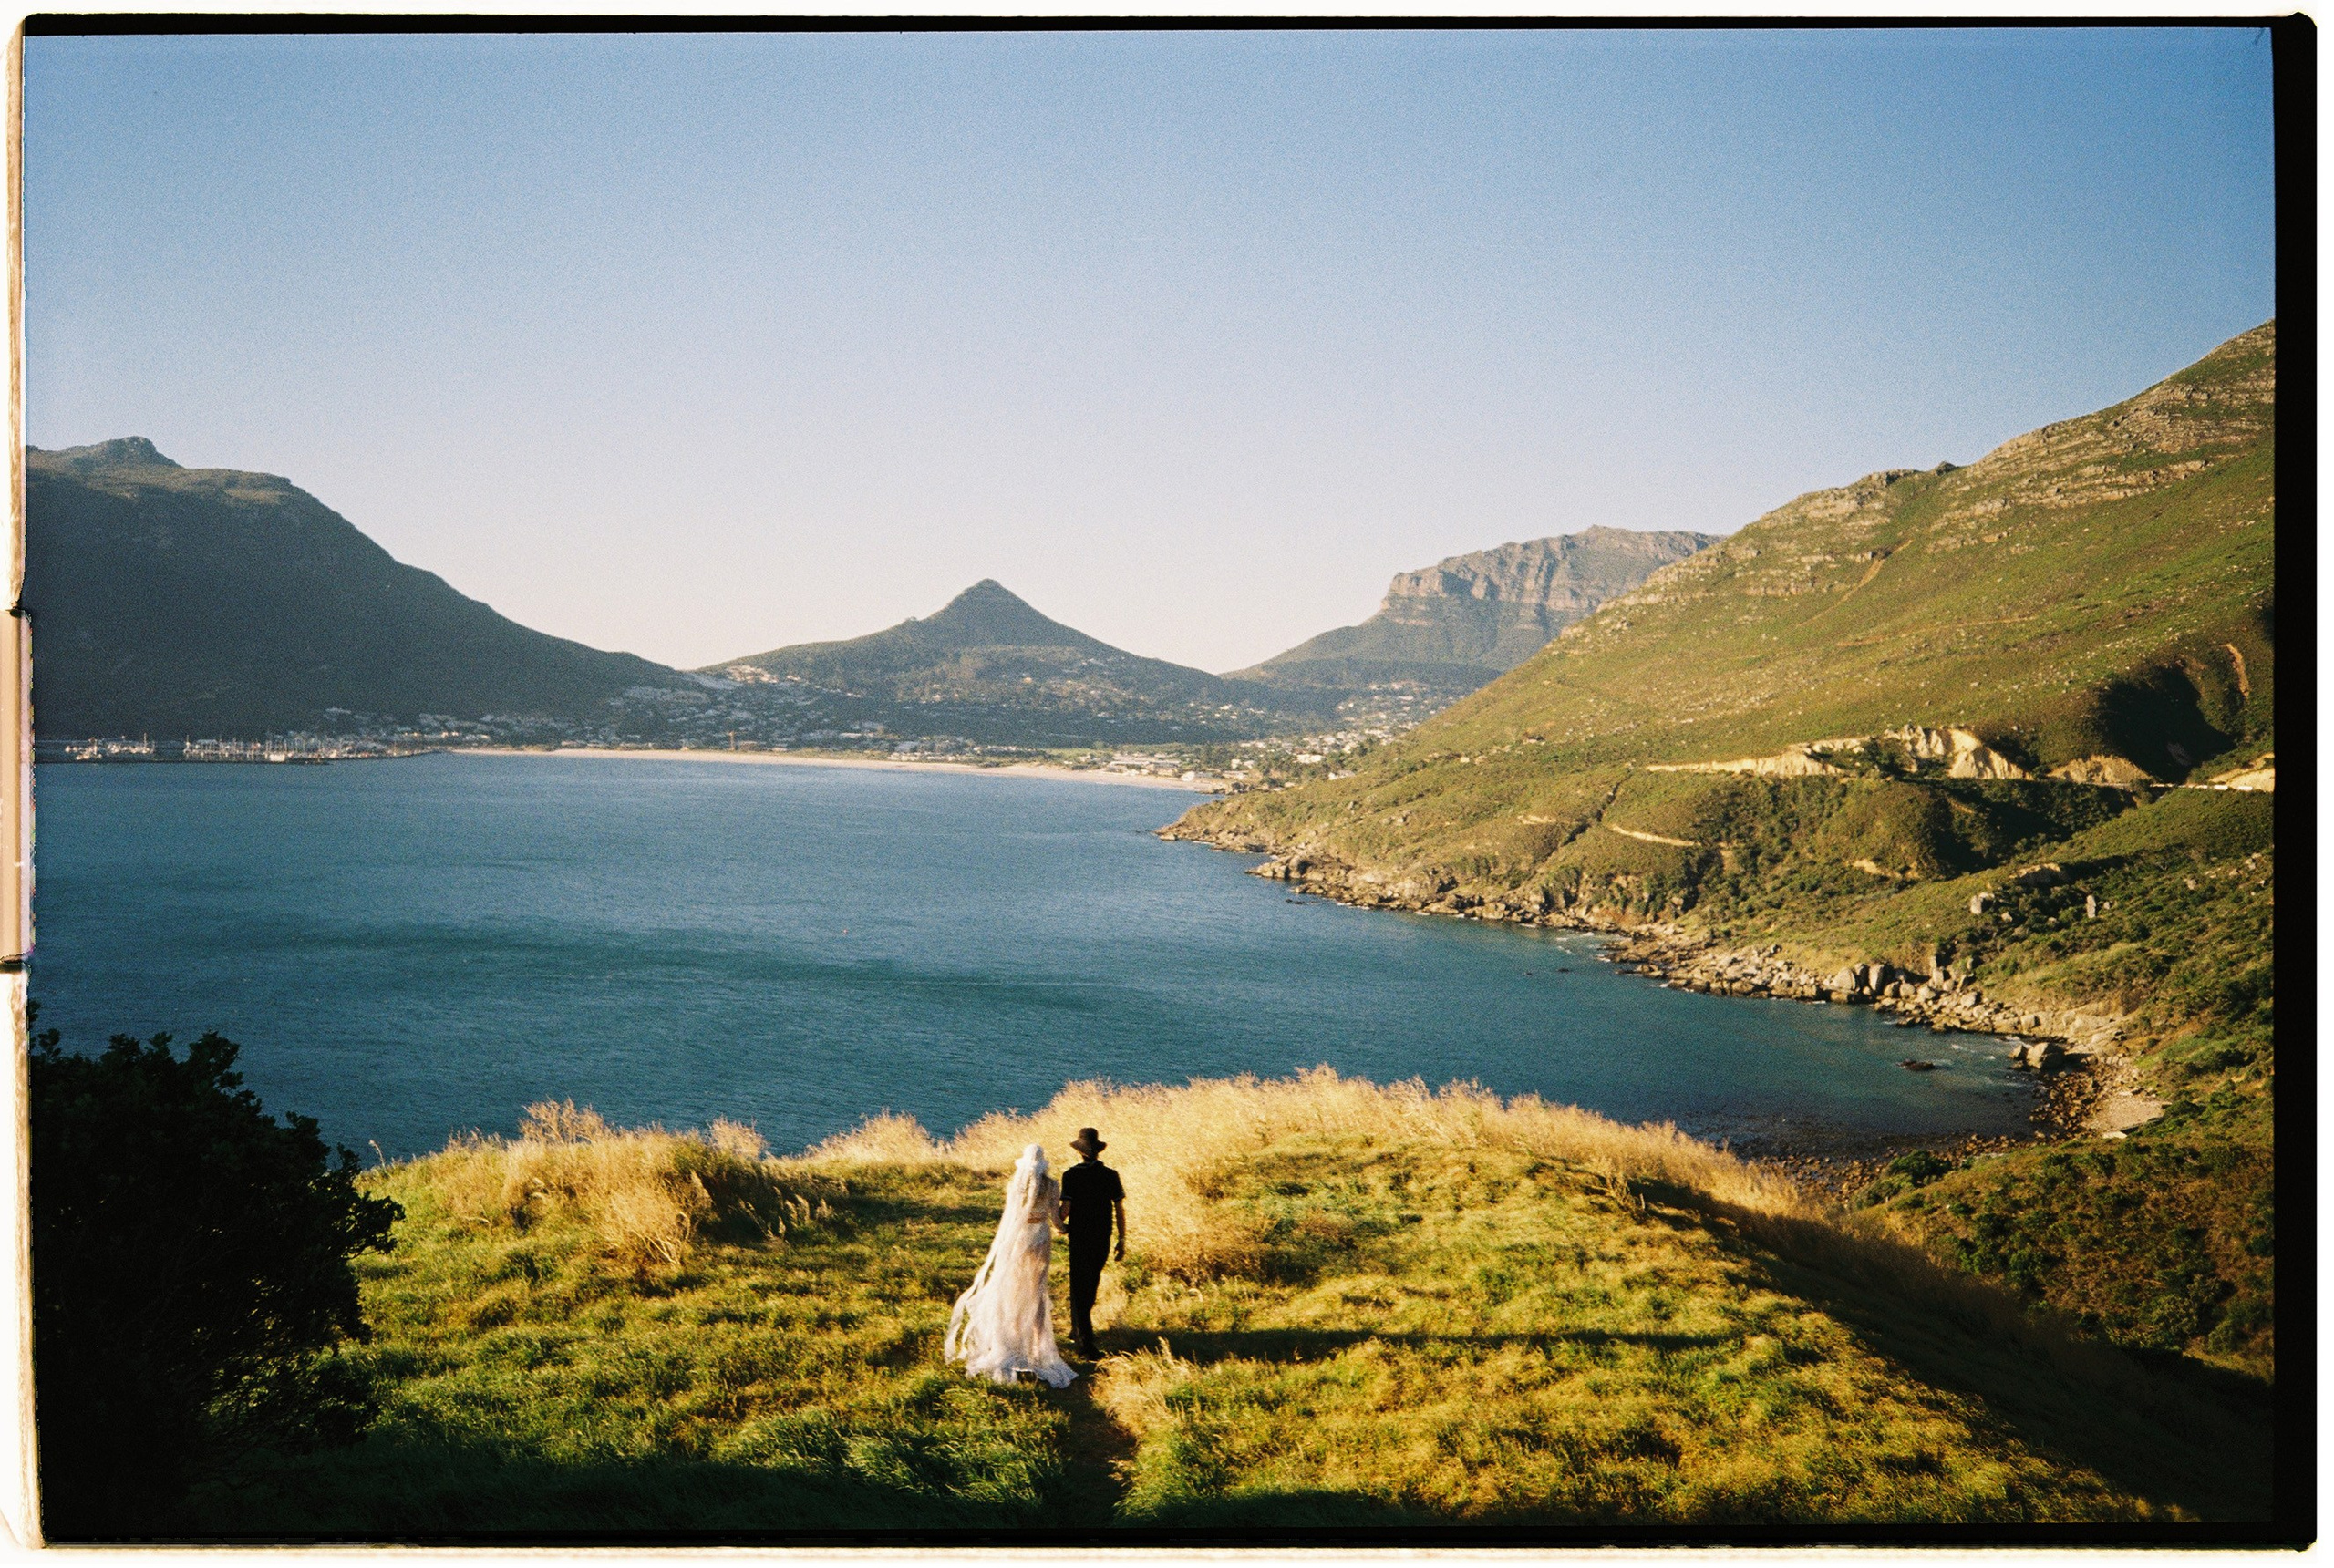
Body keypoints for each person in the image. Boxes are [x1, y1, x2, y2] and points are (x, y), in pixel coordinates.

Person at [944, 1143, 1077, 1388]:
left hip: (1018, 1239)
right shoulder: (1052, 1185)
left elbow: (1011, 1218)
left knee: (1014, 1290)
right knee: (1036, 1291)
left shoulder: (1016, 1185)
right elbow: (1056, 1218)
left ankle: (1012, 1340)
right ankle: (1037, 1344)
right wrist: (1063, 1228)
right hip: (1040, 1239)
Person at [1056, 1126, 1125, 1359]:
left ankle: (1086, 1345)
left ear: (1080, 1151)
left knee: (1079, 1284)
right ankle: (1078, 1330)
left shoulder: (1071, 1175)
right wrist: (1122, 1238)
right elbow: (1119, 1209)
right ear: (1097, 1151)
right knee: (1091, 1283)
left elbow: (1066, 1210)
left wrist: (1055, 1221)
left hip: (1080, 1237)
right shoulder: (1110, 1175)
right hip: (1102, 1236)